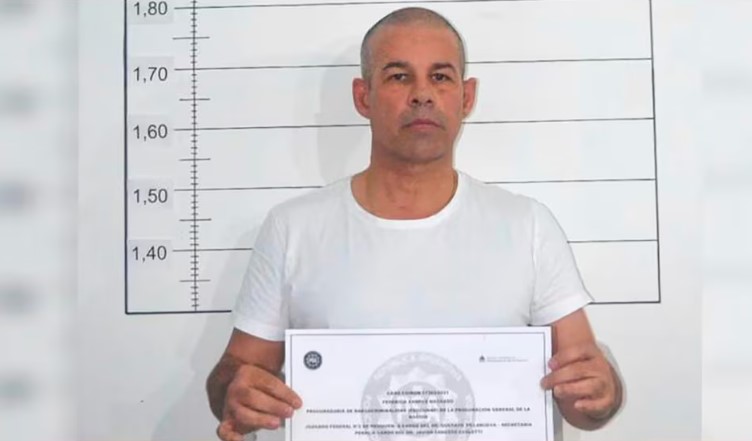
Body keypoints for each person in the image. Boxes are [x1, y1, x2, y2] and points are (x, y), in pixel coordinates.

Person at [206, 7, 622, 441]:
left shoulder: (528, 226)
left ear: (467, 97)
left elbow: (584, 402)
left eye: (440, 77)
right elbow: (235, 375)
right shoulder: (292, 228)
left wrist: (601, 392)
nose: (422, 94)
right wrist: (235, 392)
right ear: (363, 96)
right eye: (399, 76)